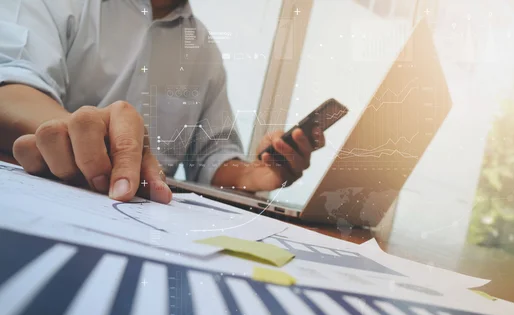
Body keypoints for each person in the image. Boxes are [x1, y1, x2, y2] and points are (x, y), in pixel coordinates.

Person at [0, 0, 323, 204]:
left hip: (144, 215)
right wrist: (82, 133)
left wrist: (253, 176)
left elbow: (212, 154)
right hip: (38, 196)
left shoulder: (203, 50)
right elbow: (11, 82)